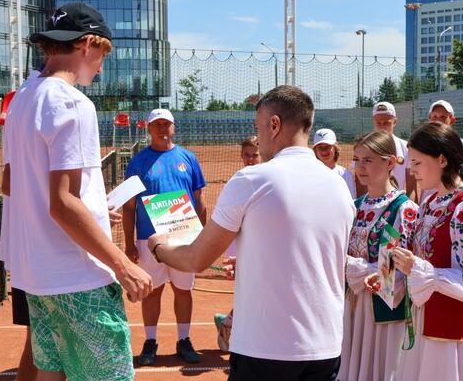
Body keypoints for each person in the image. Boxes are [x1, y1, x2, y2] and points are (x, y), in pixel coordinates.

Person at [147, 85, 355, 381]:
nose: (257, 137)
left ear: (274, 125)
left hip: (266, 348)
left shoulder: (252, 180)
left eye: (258, 126)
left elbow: (196, 259)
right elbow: (308, 253)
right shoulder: (339, 186)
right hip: (325, 347)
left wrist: (158, 247)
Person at [2, 2, 152, 380]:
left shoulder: (22, 98)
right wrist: (124, 264)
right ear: (87, 44)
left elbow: (13, 183)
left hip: (36, 277)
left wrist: (94, 207)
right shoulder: (72, 102)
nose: (102, 64)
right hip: (78, 277)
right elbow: (63, 204)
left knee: (49, 374)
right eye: (103, 53)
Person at [389, 122, 463, 381]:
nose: (411, 169)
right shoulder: (431, 202)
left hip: (458, 334)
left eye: (418, 163)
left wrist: (420, 270)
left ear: (441, 160)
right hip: (427, 324)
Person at [123, 108, 207, 366]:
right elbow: (129, 206)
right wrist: (129, 244)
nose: (162, 129)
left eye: (166, 124)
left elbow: (199, 202)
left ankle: (184, 339)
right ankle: (150, 341)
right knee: (153, 291)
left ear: (173, 127)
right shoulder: (138, 162)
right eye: (157, 124)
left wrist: (202, 239)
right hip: (149, 240)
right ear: (149, 128)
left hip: (184, 238)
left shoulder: (188, 158)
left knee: (183, 291)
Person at [338, 131, 418, 381]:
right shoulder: (354, 206)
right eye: (357, 159)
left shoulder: (402, 209)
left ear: (391, 163)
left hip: (382, 312)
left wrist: (350, 266)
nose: (360, 167)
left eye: (368, 160)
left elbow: (389, 274)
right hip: (352, 308)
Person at [214, 135, 262, 353]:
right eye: (247, 155)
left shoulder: (270, 177)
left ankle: (229, 322)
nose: (251, 159)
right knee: (251, 291)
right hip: (243, 244)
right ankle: (229, 324)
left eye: (255, 155)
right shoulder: (239, 179)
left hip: (264, 245)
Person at [420, 99, 463, 204]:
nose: (438, 120)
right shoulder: (421, 145)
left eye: (443, 117)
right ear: (429, 119)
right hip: (428, 204)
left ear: (452, 120)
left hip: (455, 202)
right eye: (434, 116)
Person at [357, 102, 417, 201]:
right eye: (378, 123)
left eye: (386, 122)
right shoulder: (364, 147)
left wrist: (412, 212)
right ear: (373, 121)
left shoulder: (405, 147)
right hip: (371, 204)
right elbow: (361, 187)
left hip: (396, 205)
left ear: (395, 122)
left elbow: (411, 188)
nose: (382, 126)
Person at [312, 128, 357, 198]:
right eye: (320, 147)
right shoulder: (310, 174)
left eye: (328, 147)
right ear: (315, 151)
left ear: (335, 148)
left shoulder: (345, 174)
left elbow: (351, 201)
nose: (324, 151)